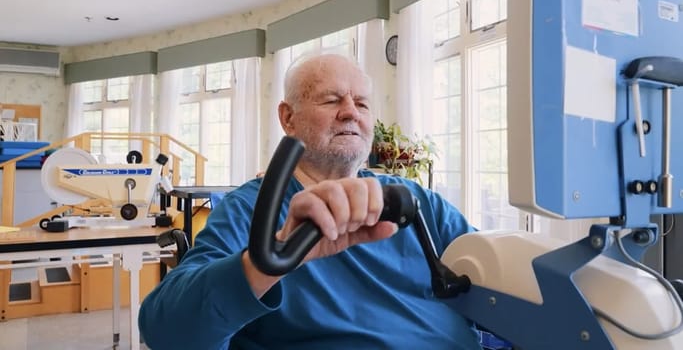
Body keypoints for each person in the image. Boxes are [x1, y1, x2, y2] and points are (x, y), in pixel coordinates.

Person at [139, 53, 482, 349]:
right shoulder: (248, 211)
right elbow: (166, 332)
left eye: (361, 103)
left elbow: (496, 278)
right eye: (331, 100)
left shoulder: (415, 201)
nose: (351, 113)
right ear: (288, 118)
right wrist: (264, 264)